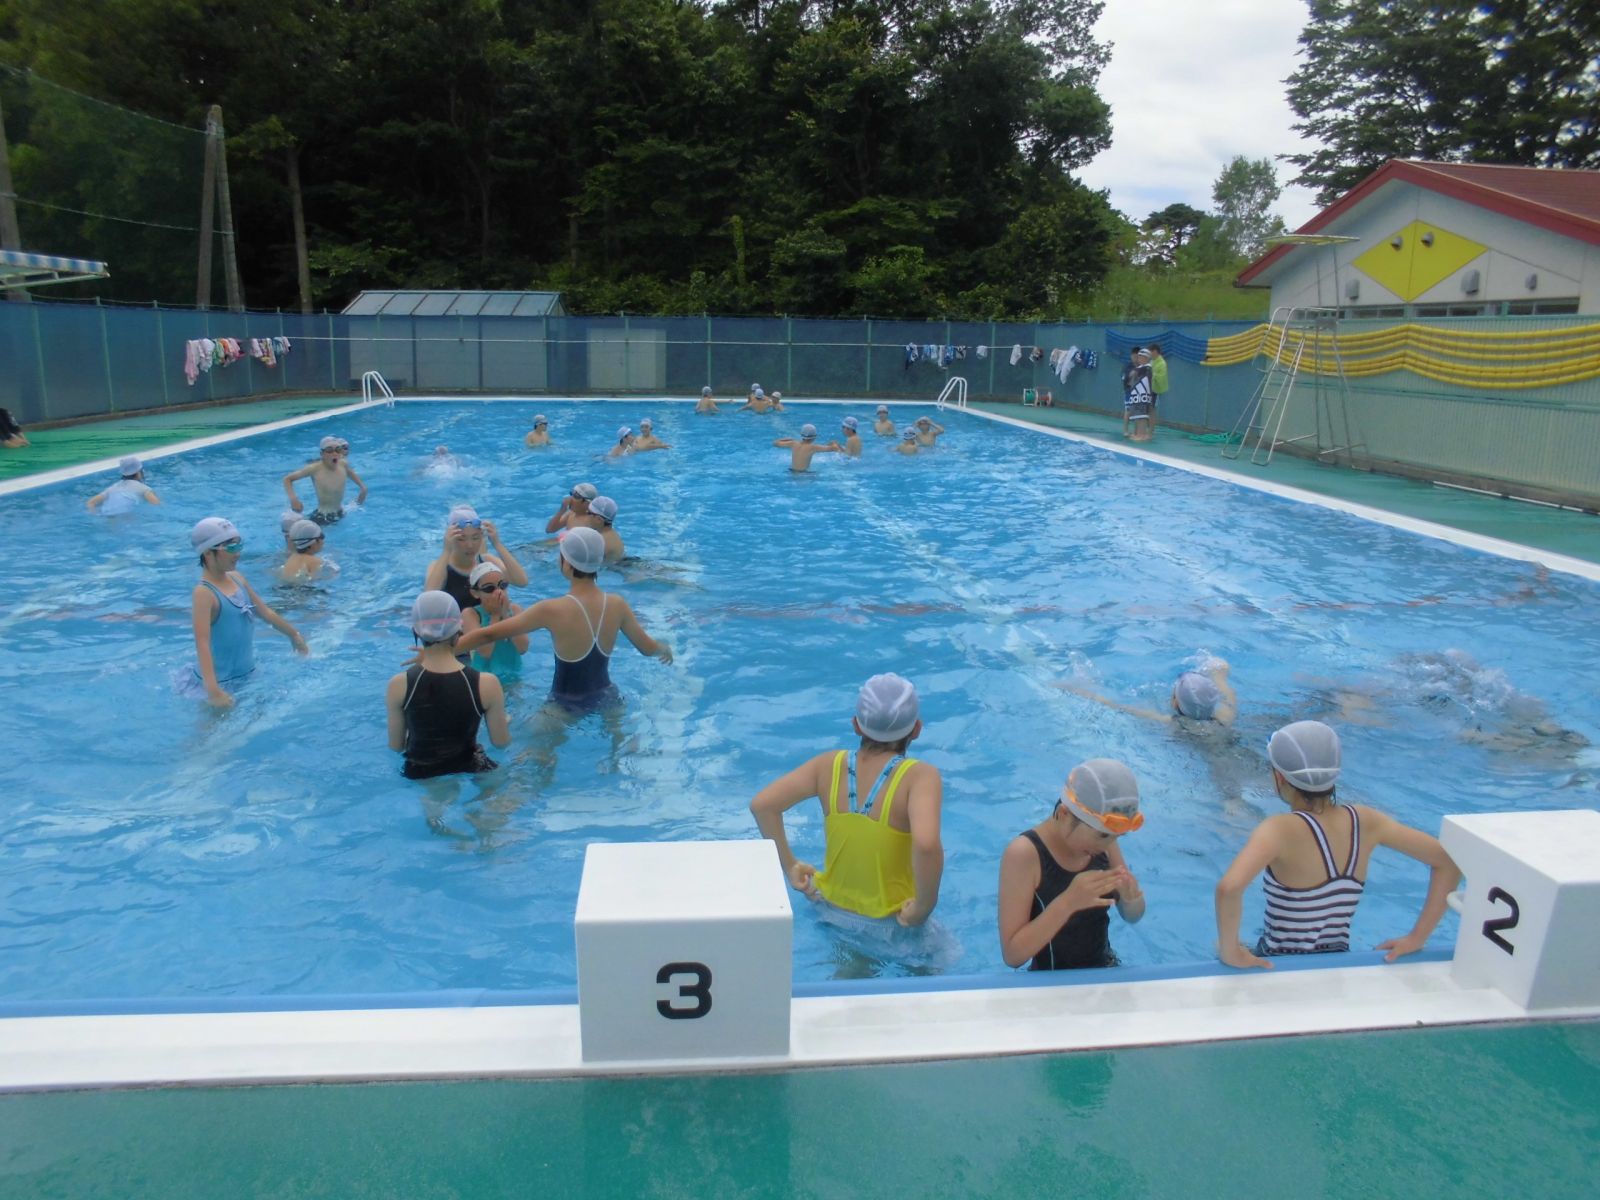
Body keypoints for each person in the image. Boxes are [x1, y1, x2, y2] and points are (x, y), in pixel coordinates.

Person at [1214, 720, 1461, 968]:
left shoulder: (1278, 830)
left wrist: (1230, 952)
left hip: (1280, 964)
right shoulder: (1366, 821)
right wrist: (1417, 938)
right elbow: (1448, 862)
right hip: (1338, 963)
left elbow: (1229, 888)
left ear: (1279, 777)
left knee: (1225, 948)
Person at [750, 674, 943, 926]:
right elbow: (927, 845)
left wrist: (791, 866)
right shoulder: (920, 777)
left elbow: (763, 805)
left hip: (832, 910)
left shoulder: (827, 765)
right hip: (892, 921)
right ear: (916, 729)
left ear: (856, 725)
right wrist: (922, 908)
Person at [454, 526, 673, 714]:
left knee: (536, 757)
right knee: (617, 757)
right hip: (608, 697)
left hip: (564, 704)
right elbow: (648, 648)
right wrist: (664, 648)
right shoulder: (617, 604)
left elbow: (488, 634)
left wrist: (440, 652)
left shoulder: (552, 609)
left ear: (565, 563)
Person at [997, 759, 1146, 970]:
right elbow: (1012, 956)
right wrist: (1068, 902)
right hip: (1050, 982)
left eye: (1116, 837)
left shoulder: (1105, 843)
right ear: (1065, 815)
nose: (1109, 845)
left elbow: (1133, 916)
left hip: (1104, 970)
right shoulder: (1024, 854)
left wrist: (1131, 900)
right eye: (1103, 835)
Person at [181, 517, 308, 707]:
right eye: (231, 547)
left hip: (248, 675)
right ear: (208, 553)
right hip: (219, 682)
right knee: (214, 733)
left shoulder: (237, 578)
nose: (238, 553)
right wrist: (213, 691)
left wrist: (293, 634)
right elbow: (202, 643)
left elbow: (265, 612)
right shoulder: (204, 593)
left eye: (239, 545)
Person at [385, 591, 510, 779]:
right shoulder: (486, 683)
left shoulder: (398, 685)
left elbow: (396, 746)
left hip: (419, 771)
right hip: (470, 766)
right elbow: (501, 743)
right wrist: (503, 721)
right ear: (459, 630)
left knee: (434, 797)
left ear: (416, 631)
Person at [1061, 661, 1238, 727]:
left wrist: (1080, 691)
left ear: (1175, 703)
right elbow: (1223, 676)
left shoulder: (1174, 725)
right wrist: (1219, 672)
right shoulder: (1225, 716)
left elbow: (1119, 706)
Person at [424, 504, 528, 612]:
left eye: (475, 538)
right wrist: (446, 550)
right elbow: (427, 598)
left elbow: (522, 582)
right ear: (450, 539)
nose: (470, 545)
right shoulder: (439, 566)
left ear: (482, 538)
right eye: (461, 539)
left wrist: (497, 544)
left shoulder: (487, 561)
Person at [461, 561, 528, 681]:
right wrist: (495, 616)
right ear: (475, 593)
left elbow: (523, 648)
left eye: (502, 585)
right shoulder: (471, 615)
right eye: (489, 588)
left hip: (515, 676)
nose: (498, 592)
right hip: (483, 680)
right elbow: (485, 652)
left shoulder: (515, 610)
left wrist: (506, 615)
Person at [283, 435, 367, 524]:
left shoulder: (343, 464)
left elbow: (353, 476)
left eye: (337, 450)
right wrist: (294, 500)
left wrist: (363, 489)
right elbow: (287, 479)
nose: (334, 453)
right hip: (323, 517)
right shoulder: (314, 468)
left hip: (341, 513)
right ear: (322, 454)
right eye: (329, 450)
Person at [86, 456, 160, 514]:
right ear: (138, 473)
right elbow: (157, 505)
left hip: (109, 515)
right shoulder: (144, 489)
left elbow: (90, 503)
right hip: (127, 515)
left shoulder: (112, 488)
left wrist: (94, 513)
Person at [774, 423, 843, 472]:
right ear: (814, 437)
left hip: (791, 472)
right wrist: (834, 443)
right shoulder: (813, 447)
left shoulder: (793, 443)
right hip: (804, 475)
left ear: (801, 434)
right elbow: (833, 448)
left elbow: (776, 443)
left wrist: (787, 438)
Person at [1123, 348, 1153, 442]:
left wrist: (1134, 373)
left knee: (1142, 416)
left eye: (1140, 357)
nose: (1138, 358)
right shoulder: (1141, 368)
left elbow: (1133, 374)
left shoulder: (1147, 367)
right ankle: (1139, 434)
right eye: (1138, 356)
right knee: (1138, 416)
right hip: (1137, 395)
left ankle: (1142, 435)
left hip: (1142, 395)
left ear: (1146, 358)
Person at [583, 495, 625, 561]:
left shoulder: (600, 542)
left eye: (588, 513)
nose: (586, 514)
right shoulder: (611, 534)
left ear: (598, 519)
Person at [1148, 343, 1168, 438]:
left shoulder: (1162, 363)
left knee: (1152, 410)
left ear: (1155, 351)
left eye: (1150, 352)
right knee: (1147, 409)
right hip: (1148, 388)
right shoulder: (1152, 361)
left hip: (1155, 390)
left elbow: (1161, 377)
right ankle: (1147, 429)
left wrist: (1152, 374)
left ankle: (1151, 431)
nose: (1149, 355)